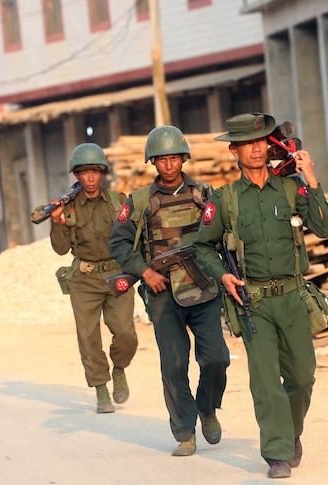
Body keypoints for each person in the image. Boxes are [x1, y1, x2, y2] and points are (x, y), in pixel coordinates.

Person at [193, 112, 328, 479]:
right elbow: (203, 248)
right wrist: (222, 275)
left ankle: (291, 431)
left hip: (292, 297)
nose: (256, 150)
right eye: (248, 144)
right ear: (235, 152)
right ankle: (277, 452)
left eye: (262, 142)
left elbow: (324, 226)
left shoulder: (291, 189)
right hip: (252, 301)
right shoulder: (224, 200)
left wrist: (311, 177)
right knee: (266, 381)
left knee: (303, 377)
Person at [109, 126, 229, 456]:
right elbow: (117, 242)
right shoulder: (140, 201)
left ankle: (207, 408)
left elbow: (223, 232)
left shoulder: (206, 194)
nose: (169, 165)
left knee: (217, 358)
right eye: (162, 159)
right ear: (153, 162)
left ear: (183, 159)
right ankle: (184, 431)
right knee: (174, 365)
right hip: (163, 294)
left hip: (204, 288)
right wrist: (145, 271)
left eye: (174, 158)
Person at [46, 143, 138, 413]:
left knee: (125, 333)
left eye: (95, 172)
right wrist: (57, 222)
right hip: (84, 279)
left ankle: (119, 368)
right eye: (84, 172)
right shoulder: (69, 208)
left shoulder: (118, 202)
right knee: (88, 337)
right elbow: (61, 249)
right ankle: (100, 388)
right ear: (76, 175)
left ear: (102, 174)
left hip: (116, 273)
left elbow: (132, 237)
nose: (90, 178)